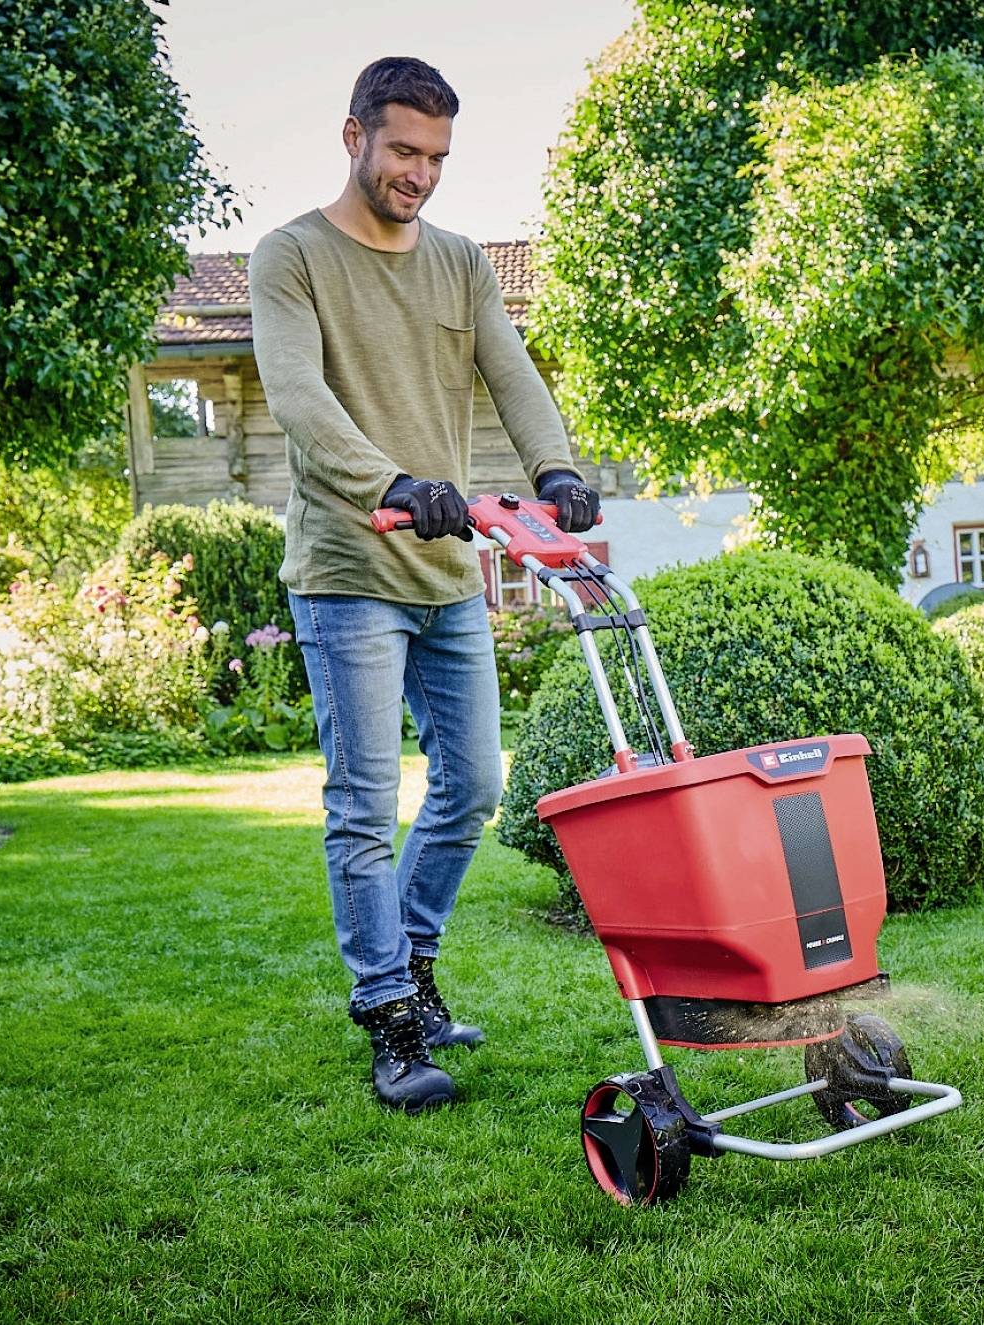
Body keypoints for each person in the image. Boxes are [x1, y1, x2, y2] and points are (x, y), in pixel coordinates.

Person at [249, 56, 599, 1113]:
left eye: (436, 157)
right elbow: (300, 398)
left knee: (473, 787)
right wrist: (390, 480)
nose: (419, 174)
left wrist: (556, 468)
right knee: (362, 806)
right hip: (348, 569)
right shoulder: (291, 257)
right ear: (351, 135)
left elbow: (512, 372)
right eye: (402, 150)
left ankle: (414, 966)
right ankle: (388, 1013)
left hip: (446, 571)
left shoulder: (458, 264)